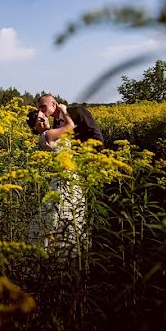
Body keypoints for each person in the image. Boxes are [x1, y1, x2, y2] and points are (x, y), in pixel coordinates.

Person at [25, 104, 87, 259]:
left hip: (68, 175)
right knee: (61, 214)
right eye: (38, 120)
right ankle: (61, 254)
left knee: (66, 214)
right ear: (34, 126)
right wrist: (64, 110)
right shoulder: (47, 135)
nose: (42, 120)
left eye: (43, 117)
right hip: (64, 177)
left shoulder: (49, 133)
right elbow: (71, 126)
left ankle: (67, 253)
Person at [37, 93, 104, 151]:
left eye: (43, 106)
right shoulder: (56, 122)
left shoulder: (78, 111)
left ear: (53, 104)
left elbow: (96, 134)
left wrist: (98, 154)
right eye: (39, 108)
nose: (41, 110)